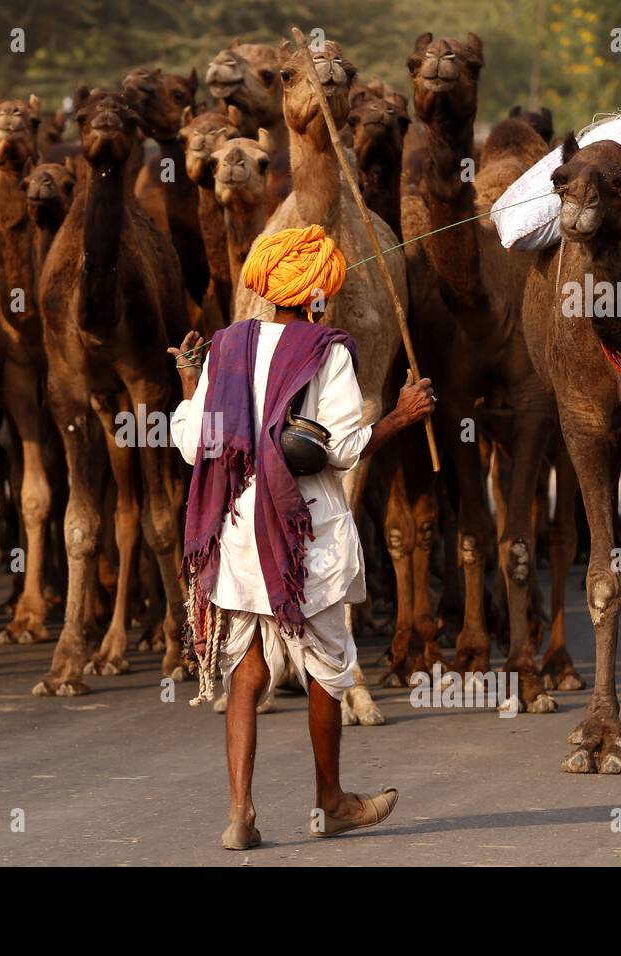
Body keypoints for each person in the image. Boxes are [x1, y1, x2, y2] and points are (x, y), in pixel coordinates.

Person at [168, 224, 435, 850]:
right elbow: (339, 450)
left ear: (265, 285)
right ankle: (331, 801)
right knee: (324, 668)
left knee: (247, 669)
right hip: (302, 534)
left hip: (235, 534)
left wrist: (189, 382)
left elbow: (192, 445)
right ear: (316, 293)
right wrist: (401, 414)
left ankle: (240, 815)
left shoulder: (226, 347)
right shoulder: (327, 351)